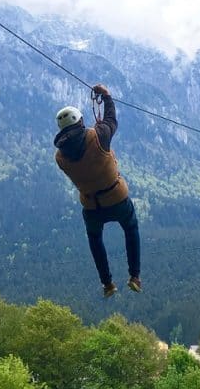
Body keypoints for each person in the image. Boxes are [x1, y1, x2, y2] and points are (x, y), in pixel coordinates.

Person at [54, 83, 141, 297]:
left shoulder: (60, 157)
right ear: (81, 121)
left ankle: (108, 284)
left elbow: (81, 152)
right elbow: (111, 120)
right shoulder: (98, 135)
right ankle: (135, 276)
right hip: (116, 198)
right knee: (130, 229)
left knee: (95, 239)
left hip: (92, 206)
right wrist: (107, 96)